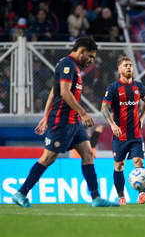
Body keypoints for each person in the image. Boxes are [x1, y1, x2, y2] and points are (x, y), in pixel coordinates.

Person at [12, 36, 119, 208]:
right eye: (90, 56)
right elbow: (63, 92)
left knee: (88, 153)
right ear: (82, 50)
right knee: (48, 158)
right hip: (62, 120)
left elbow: (53, 92)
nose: (91, 61)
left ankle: (96, 198)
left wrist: (45, 116)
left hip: (73, 121)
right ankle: (21, 193)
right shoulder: (67, 64)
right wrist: (83, 113)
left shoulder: (73, 66)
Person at [101, 56, 145, 205]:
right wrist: (112, 124)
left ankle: (142, 195)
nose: (129, 67)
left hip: (136, 135)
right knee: (119, 165)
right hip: (119, 136)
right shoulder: (113, 88)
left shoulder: (139, 87)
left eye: (130, 65)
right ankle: (121, 196)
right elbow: (104, 107)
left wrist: (142, 118)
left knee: (138, 161)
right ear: (119, 70)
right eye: (125, 65)